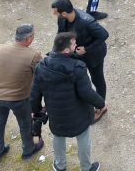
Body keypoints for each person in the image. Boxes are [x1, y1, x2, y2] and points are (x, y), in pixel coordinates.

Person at [30, 32, 105, 171]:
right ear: (66, 50)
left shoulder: (41, 67)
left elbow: (35, 93)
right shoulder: (78, 67)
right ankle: (86, 168)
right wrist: (101, 103)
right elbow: (87, 93)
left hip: (55, 114)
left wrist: (36, 110)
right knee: (83, 139)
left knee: (58, 137)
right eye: (73, 44)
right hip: (79, 114)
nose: (76, 45)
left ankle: (60, 165)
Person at [0, 23, 44, 161]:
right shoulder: (34, 55)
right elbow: (39, 79)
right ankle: (28, 149)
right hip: (20, 99)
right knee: (25, 124)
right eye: (33, 36)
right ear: (28, 38)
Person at [52, 0, 110, 106]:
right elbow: (60, 35)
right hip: (76, 55)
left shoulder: (87, 21)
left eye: (56, 13)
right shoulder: (62, 19)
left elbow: (104, 34)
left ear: (64, 13)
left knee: (98, 80)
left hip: (93, 55)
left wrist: (86, 49)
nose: (54, 14)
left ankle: (101, 105)